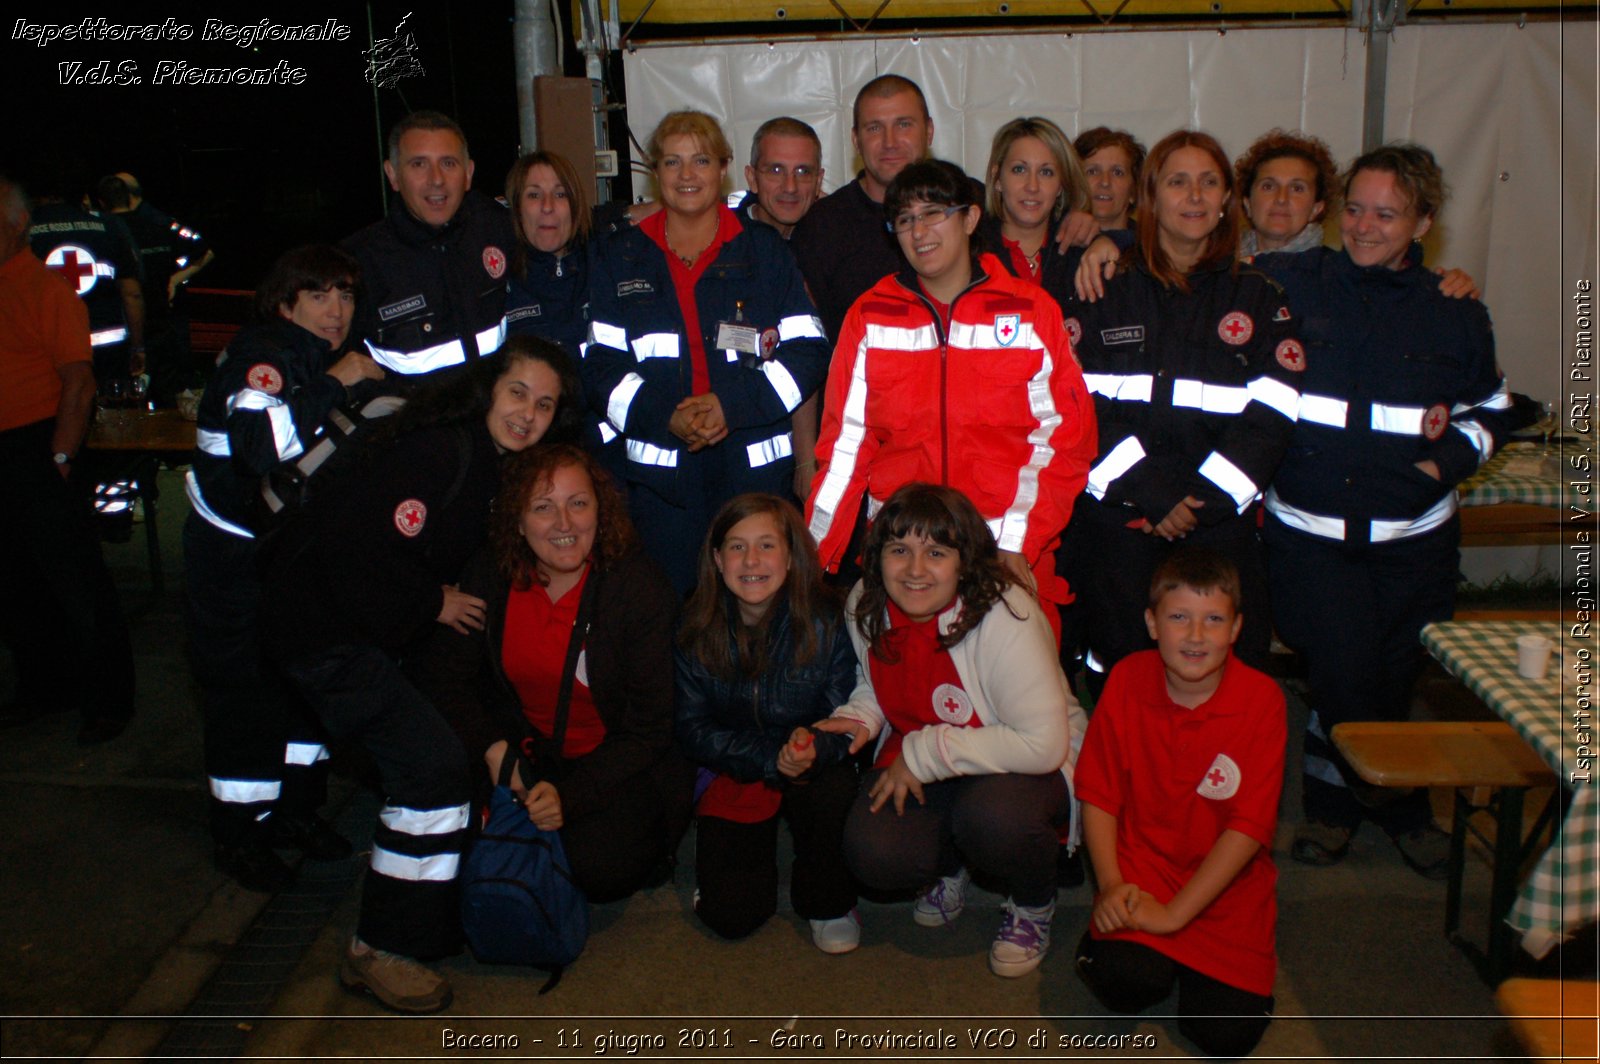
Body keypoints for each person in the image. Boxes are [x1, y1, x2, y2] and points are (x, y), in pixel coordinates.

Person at [261, 337, 579, 1013]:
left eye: (545, 404)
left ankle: (418, 922)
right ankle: (381, 949)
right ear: (490, 388)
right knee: (430, 769)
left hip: (356, 632)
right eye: (518, 392)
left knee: (438, 760)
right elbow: (356, 545)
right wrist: (431, 601)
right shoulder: (441, 451)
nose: (528, 413)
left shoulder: (486, 459)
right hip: (323, 636)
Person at [1255, 143, 1515, 877]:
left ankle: (1351, 797)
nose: (1366, 227)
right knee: (1343, 672)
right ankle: (1376, 809)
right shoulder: (1289, 283)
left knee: (1392, 678)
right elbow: (1195, 276)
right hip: (1311, 539)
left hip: (1416, 544)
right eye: (1357, 210)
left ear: (1423, 221)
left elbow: (1491, 407)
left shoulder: (1454, 309)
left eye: (1388, 214)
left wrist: (1447, 464)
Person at [806, 159, 1096, 638]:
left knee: (1018, 707)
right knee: (905, 701)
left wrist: (1017, 542)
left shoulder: (1029, 311)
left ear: (971, 218)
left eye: (934, 212)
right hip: (906, 561)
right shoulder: (871, 316)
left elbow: (1065, 441)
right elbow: (843, 452)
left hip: (1006, 553)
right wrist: (810, 561)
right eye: (904, 219)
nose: (919, 230)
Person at [1063, 129, 1301, 688]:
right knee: (1122, 676)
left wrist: (1199, 501)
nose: (1193, 196)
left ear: (1226, 201)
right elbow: (1074, 401)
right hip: (1123, 522)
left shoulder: (1259, 297)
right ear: (1151, 197)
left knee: (1224, 685)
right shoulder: (1103, 286)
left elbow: (1273, 413)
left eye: (1208, 182)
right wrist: (1150, 491)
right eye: (1177, 182)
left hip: (1217, 529)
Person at [816, 484, 1085, 978]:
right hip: (926, 752)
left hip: (1017, 760)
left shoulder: (1007, 613)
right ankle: (948, 865)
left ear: (964, 562)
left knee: (996, 823)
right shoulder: (865, 602)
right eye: (899, 551)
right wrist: (859, 718)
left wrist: (923, 752)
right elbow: (875, 681)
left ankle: (1031, 904)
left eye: (936, 553)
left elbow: (1042, 744)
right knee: (874, 852)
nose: (915, 570)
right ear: (878, 559)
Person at [183, 245, 386, 892]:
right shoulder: (264, 357)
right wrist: (339, 383)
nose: (337, 310)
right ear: (285, 302)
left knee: (302, 686)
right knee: (246, 696)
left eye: (346, 295)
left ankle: (294, 810)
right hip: (235, 558)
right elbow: (260, 450)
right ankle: (240, 834)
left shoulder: (310, 357)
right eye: (320, 295)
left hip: (288, 554)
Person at [412, 443, 694, 909]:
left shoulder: (638, 589)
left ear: (600, 512)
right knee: (449, 850)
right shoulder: (490, 575)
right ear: (518, 522)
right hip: (522, 750)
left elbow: (649, 730)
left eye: (578, 503)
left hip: (614, 762)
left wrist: (571, 797)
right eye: (543, 507)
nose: (565, 523)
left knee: (602, 872)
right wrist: (494, 750)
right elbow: (445, 678)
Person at [584, 109, 829, 594]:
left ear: (723, 169)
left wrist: (730, 406)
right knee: (675, 615)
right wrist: (664, 415)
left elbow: (807, 352)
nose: (688, 175)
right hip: (661, 489)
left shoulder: (764, 253)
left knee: (760, 614)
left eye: (700, 160)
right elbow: (599, 368)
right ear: (656, 174)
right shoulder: (619, 257)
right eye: (673, 163)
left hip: (755, 480)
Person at [1075, 549, 1283, 1059]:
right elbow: (1099, 795)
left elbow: (1248, 829)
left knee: (1224, 1037)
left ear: (1236, 628)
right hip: (1141, 872)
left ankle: (1189, 961)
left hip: (1223, 889)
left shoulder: (1263, 701)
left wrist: (1173, 917)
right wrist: (1110, 886)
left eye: (1214, 620)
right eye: (1178, 618)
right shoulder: (1125, 679)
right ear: (1151, 623)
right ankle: (1152, 959)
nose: (1195, 636)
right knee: (1120, 982)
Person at [674, 493, 860, 952]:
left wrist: (814, 747)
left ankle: (827, 899)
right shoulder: (694, 626)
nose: (751, 560)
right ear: (717, 560)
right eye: (736, 547)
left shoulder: (830, 620)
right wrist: (771, 759)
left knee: (831, 791)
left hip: (811, 766)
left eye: (766, 546)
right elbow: (692, 729)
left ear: (793, 556)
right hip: (736, 764)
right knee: (731, 916)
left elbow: (850, 715)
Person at [0, 173, 135, 746]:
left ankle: (108, 702)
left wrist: (60, 453)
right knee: (15, 583)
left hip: (37, 444)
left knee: (78, 583)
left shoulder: (46, 289)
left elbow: (78, 381)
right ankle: (44, 688)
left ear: (17, 224)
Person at [341, 110, 513, 381]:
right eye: (419, 164)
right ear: (393, 175)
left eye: (448, 163)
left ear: (468, 174)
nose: (436, 179)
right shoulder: (358, 264)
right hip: (411, 421)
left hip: (498, 420)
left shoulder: (498, 230)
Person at [96, 171, 214, 405]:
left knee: (125, 391)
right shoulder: (158, 223)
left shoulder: (107, 232)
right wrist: (176, 279)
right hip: (164, 321)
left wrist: (175, 279)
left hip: (128, 323)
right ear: (130, 197)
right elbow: (204, 250)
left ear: (101, 202)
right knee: (169, 391)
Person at [27, 161, 144, 387]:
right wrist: (138, 346)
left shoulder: (21, 233)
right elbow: (132, 294)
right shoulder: (109, 226)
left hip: (47, 352)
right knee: (112, 414)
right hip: (109, 350)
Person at [978, 116, 1097, 299]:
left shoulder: (1084, 251)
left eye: (1046, 172)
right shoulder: (970, 252)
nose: (1032, 186)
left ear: (1060, 185)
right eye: (1019, 170)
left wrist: (1114, 240)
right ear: (997, 178)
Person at [1234, 129, 1340, 258]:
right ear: (1248, 204)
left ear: (1316, 209)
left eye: (1297, 189)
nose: (1281, 198)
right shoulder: (1218, 270)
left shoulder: (1335, 274)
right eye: (1268, 187)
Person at [737, 117, 825, 239]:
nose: (790, 188)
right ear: (752, 179)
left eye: (803, 172)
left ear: (818, 181)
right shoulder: (723, 243)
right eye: (776, 171)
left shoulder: (834, 241)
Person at [1074, 127, 1145, 232]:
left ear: (1133, 191)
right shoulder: (1053, 243)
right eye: (1092, 171)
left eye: (1117, 172)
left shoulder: (1153, 247)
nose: (1105, 182)